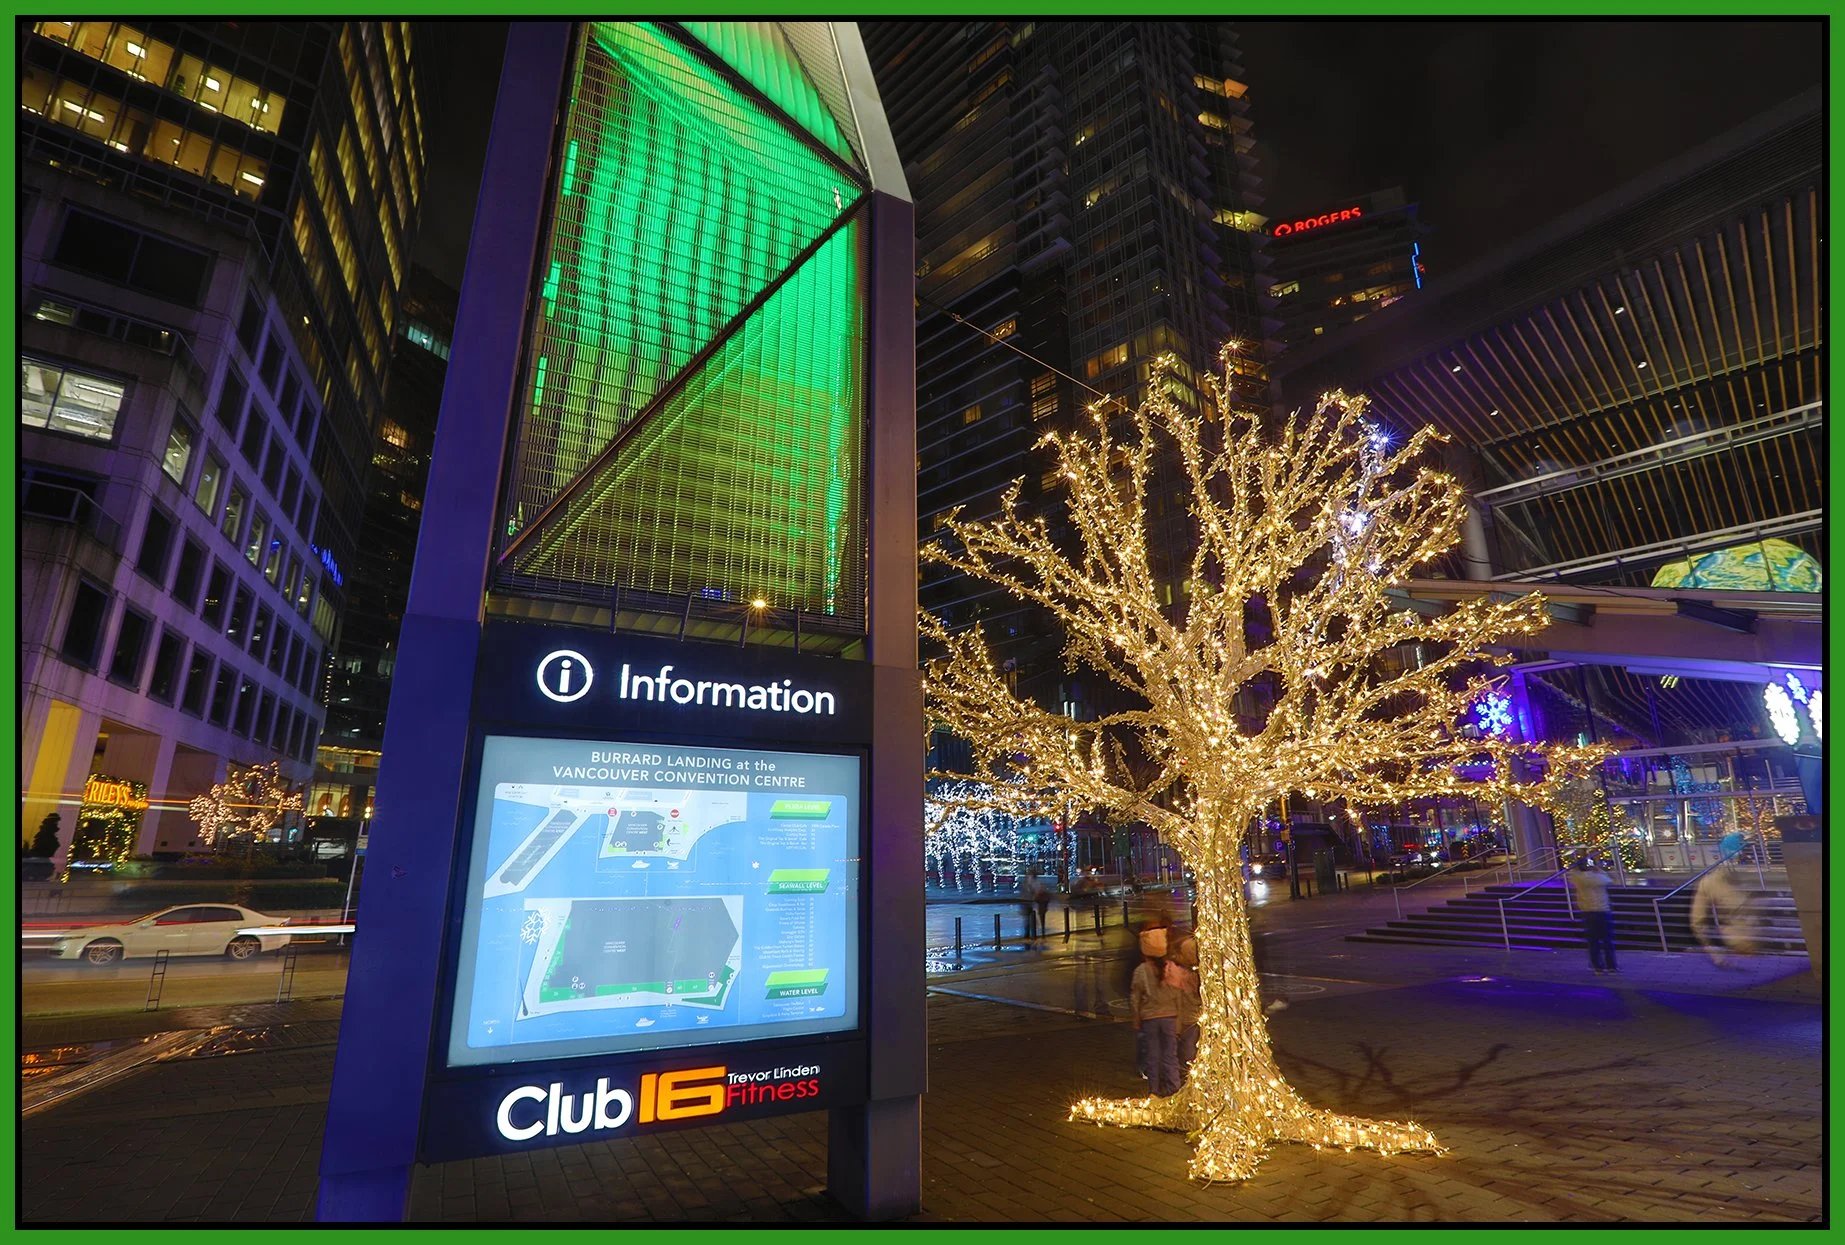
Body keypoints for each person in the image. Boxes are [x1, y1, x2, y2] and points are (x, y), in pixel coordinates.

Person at [1131, 926, 1183, 1097]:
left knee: (1152, 1055)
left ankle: (1154, 1090)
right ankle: (1173, 1088)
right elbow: (1179, 995)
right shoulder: (1172, 968)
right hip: (1170, 1017)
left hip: (1150, 1018)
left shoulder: (1141, 971)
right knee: (1171, 1055)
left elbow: (1135, 997)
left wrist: (1136, 1017)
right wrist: (1180, 1018)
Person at [1567, 857, 1617, 974]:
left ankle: (1597, 967)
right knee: (1607, 940)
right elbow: (1609, 880)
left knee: (1593, 941)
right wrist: (1599, 870)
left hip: (1587, 911)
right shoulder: (1598, 878)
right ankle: (1611, 966)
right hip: (1602, 910)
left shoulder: (1578, 879)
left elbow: (1573, 874)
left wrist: (1576, 868)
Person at [1167, 926, 1202, 1079]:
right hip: (1186, 1015)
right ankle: (1186, 1071)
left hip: (1187, 1015)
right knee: (1187, 1046)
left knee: (1188, 1045)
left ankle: (1186, 1071)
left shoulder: (1184, 970)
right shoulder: (1180, 971)